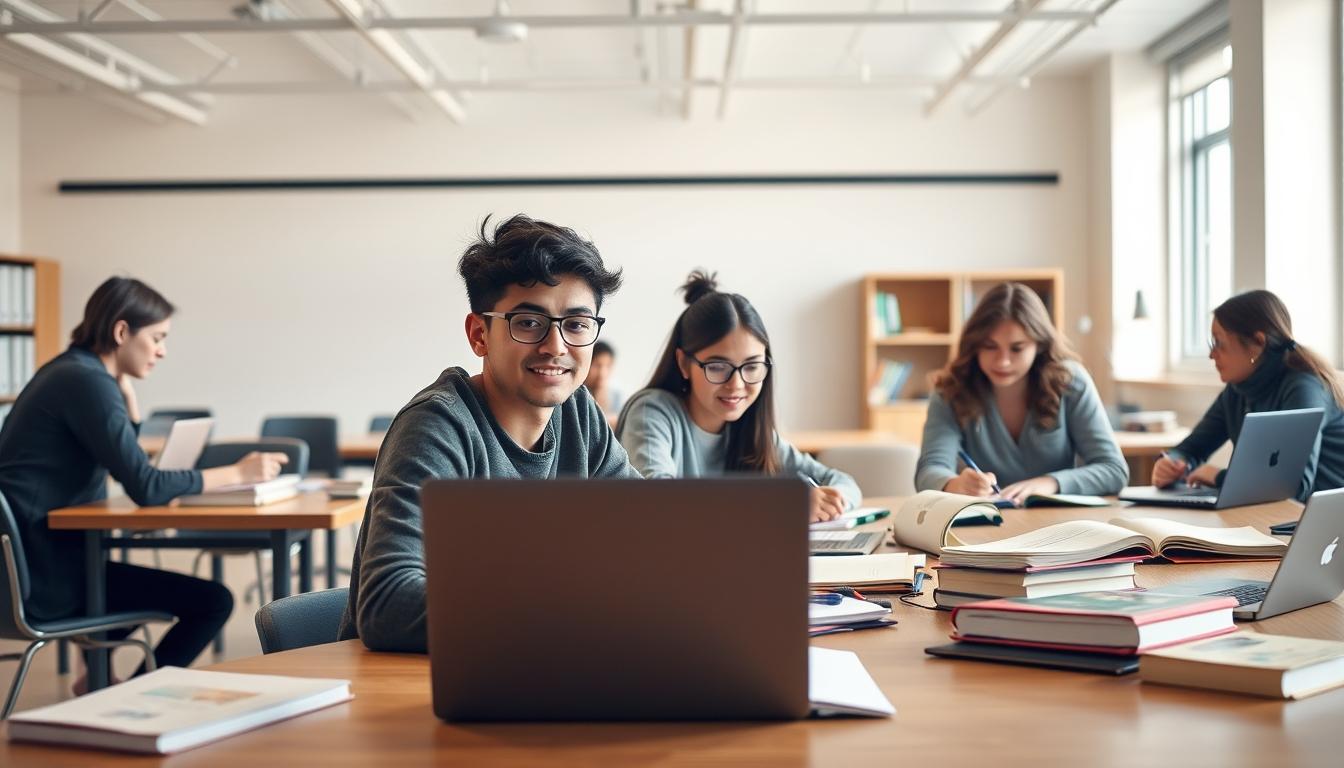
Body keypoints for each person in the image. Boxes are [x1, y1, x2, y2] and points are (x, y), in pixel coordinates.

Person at [339, 214, 640, 653]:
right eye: (528, 322)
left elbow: (648, 536)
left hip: (543, 668)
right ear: (480, 334)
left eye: (576, 325)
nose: (556, 346)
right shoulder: (437, 426)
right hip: (415, 684)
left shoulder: (577, 410)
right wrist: (568, 608)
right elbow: (388, 604)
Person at [0, 277, 286, 679]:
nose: (162, 351)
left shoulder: (70, 372)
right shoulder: (86, 382)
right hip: (47, 580)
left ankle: (96, 678)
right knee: (214, 602)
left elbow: (117, 461)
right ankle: (130, 694)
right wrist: (238, 472)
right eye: (157, 338)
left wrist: (129, 408)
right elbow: (146, 487)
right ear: (121, 332)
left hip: (30, 568)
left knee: (141, 589)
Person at [616, 271, 860, 523]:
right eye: (718, 366)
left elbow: (845, 484)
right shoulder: (651, 412)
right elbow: (656, 502)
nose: (737, 384)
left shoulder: (753, 432)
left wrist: (828, 501)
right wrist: (785, 504)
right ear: (684, 363)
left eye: (752, 366)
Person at [915, 282, 1127, 504]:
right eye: (989, 346)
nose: (1003, 361)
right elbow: (929, 471)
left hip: (1058, 526)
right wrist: (955, 484)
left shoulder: (1070, 382)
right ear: (975, 345)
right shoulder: (951, 388)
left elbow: (1114, 470)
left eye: (1017, 348)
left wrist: (1049, 483)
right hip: (984, 525)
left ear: (1040, 344)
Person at [1152, 290, 1344, 501]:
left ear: (1258, 344)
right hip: (1274, 520)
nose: (1211, 354)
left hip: (1323, 526)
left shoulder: (1304, 387)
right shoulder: (1237, 390)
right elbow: (1192, 448)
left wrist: (1217, 476)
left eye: (1219, 343)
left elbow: (1292, 489)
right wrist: (1172, 463)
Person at [585, 340, 624, 428]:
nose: (602, 373)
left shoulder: (616, 396)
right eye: (597, 365)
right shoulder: (576, 394)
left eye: (608, 366)